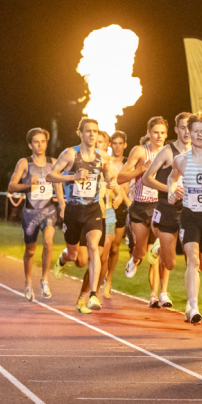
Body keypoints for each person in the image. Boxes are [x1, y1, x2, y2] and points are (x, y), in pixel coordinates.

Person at [47, 117, 117, 313]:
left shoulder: (103, 156)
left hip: (94, 210)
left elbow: (108, 174)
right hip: (73, 211)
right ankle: (63, 258)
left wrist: (111, 182)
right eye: (88, 131)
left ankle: (93, 296)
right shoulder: (70, 154)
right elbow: (50, 175)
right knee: (77, 258)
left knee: (95, 247)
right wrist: (73, 177)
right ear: (80, 133)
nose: (92, 134)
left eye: (95, 131)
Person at [167, 111, 202, 325]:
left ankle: (192, 302)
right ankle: (193, 305)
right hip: (189, 215)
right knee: (192, 259)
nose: (199, 135)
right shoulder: (181, 160)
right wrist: (172, 192)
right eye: (195, 131)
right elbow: (172, 178)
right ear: (189, 133)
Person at [7, 127, 64, 302]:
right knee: (30, 251)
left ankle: (45, 280)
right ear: (30, 145)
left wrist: (62, 204)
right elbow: (11, 187)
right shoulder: (24, 163)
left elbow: (59, 185)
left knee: (48, 242)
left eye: (43, 142)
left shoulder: (54, 162)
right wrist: (27, 186)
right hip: (31, 212)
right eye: (36, 142)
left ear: (46, 143)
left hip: (48, 209)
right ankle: (28, 283)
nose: (40, 145)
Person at [142, 112, 192, 308]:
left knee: (192, 257)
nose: (187, 132)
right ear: (177, 129)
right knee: (170, 263)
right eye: (183, 128)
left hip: (189, 209)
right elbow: (147, 178)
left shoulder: (199, 153)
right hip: (168, 207)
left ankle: (192, 304)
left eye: (191, 128)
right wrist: (169, 189)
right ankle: (159, 248)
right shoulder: (167, 152)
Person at [77, 131, 128, 312]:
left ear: (106, 145)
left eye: (101, 143)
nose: (98, 145)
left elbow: (119, 194)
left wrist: (117, 196)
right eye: (96, 142)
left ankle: (92, 295)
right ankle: (86, 293)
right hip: (87, 214)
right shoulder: (82, 163)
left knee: (102, 256)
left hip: (107, 215)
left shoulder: (111, 168)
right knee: (85, 259)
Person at [118, 117, 168, 282]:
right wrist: (141, 169)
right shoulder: (140, 151)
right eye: (155, 132)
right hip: (140, 206)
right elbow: (120, 177)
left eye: (162, 133)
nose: (159, 136)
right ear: (148, 133)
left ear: (166, 134)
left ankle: (160, 292)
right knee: (140, 252)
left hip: (160, 205)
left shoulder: (171, 153)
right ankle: (134, 260)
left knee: (161, 241)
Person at [101, 130, 129, 298]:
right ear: (111, 145)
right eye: (115, 143)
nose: (117, 147)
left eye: (121, 143)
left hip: (121, 207)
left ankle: (109, 279)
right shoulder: (106, 162)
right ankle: (102, 274)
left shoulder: (128, 163)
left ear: (125, 145)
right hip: (107, 205)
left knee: (115, 247)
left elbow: (128, 185)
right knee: (105, 245)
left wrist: (124, 200)